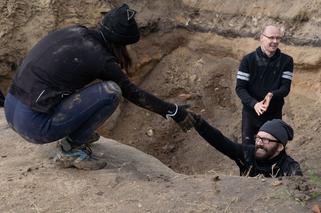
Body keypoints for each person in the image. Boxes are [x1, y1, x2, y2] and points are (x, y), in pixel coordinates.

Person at [4, 4, 195, 170]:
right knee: (111, 92)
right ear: (119, 43)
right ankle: (70, 150)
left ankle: (73, 136)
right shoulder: (99, 57)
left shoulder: (74, 31)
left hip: (12, 108)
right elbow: (133, 93)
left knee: (73, 87)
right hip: (33, 126)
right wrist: (174, 112)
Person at [236, 25, 294, 145]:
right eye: (271, 37)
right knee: (248, 151)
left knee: (271, 151)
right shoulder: (247, 60)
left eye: (278, 38)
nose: (275, 41)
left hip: (274, 114)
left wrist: (271, 94)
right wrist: (254, 104)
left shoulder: (287, 61)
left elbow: (285, 88)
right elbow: (240, 88)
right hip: (251, 114)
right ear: (261, 38)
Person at [192, 115, 302, 177]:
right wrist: (197, 122)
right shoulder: (248, 153)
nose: (259, 143)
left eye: (265, 140)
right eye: (258, 138)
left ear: (279, 147)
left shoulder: (290, 168)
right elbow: (220, 141)